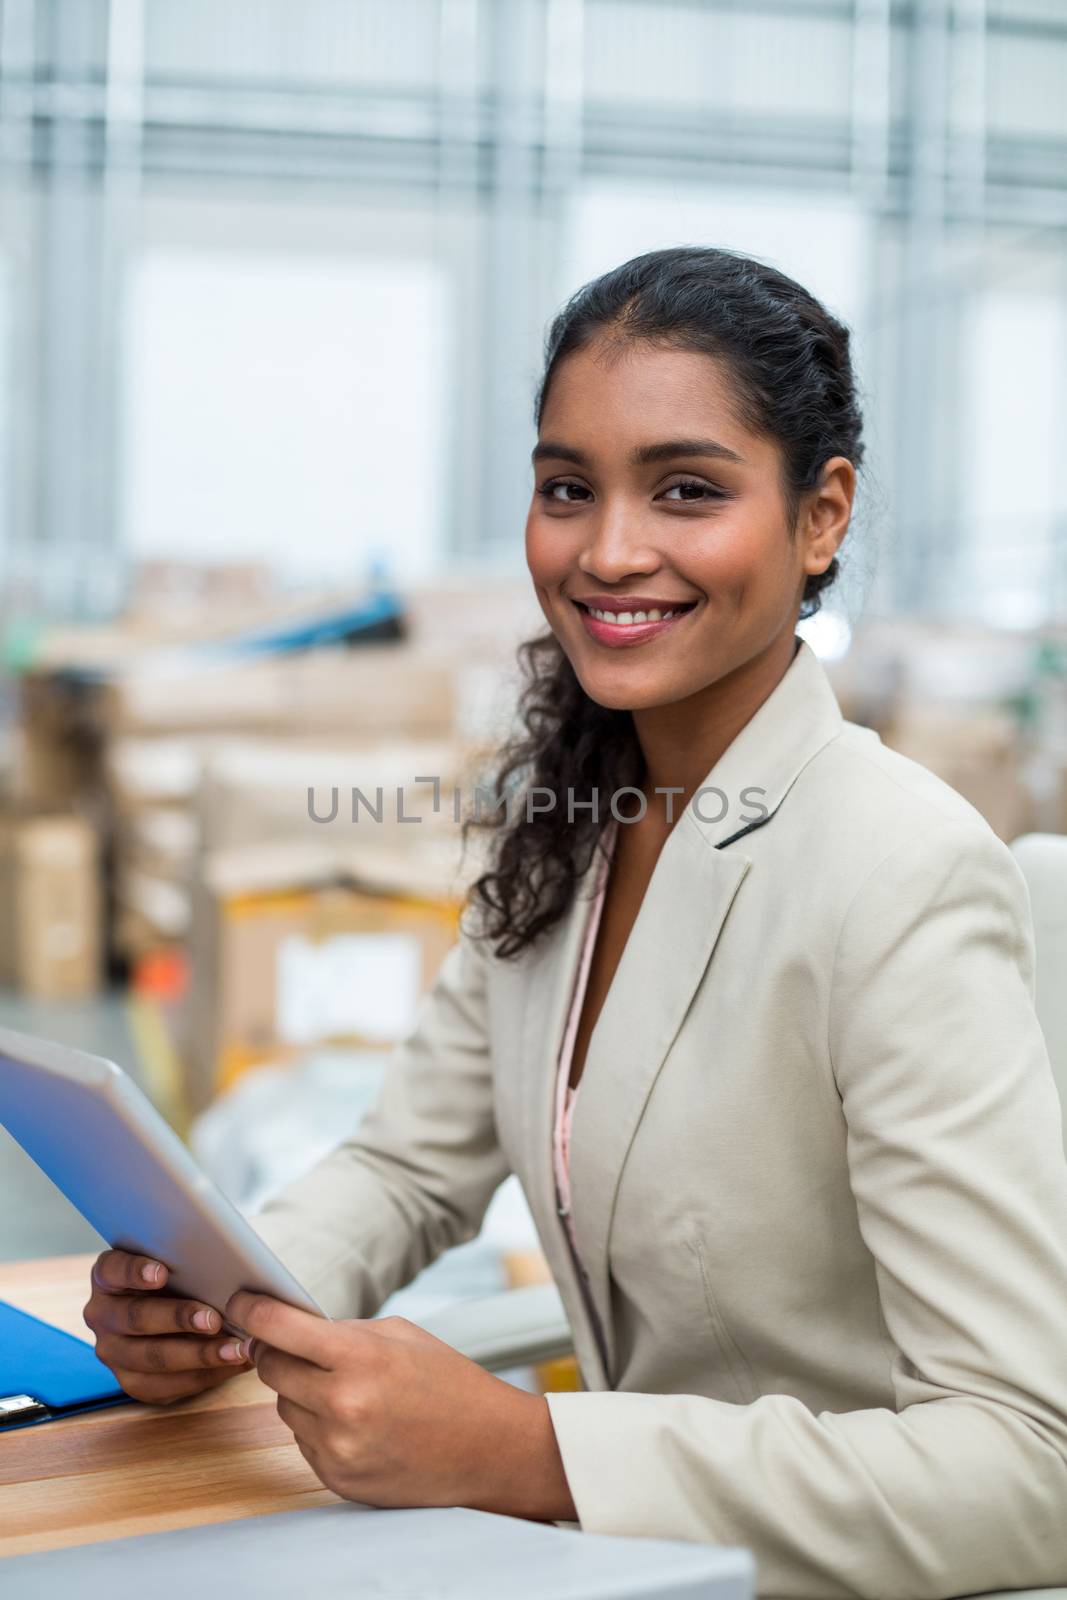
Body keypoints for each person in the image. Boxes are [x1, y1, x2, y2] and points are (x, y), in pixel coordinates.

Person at [83, 246, 1067, 1598]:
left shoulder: (896, 871)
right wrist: (219, 1307)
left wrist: (532, 1453)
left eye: (687, 490)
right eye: (567, 489)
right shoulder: (574, 820)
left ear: (820, 515)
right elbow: (404, 1166)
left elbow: (1026, 1464)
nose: (607, 549)